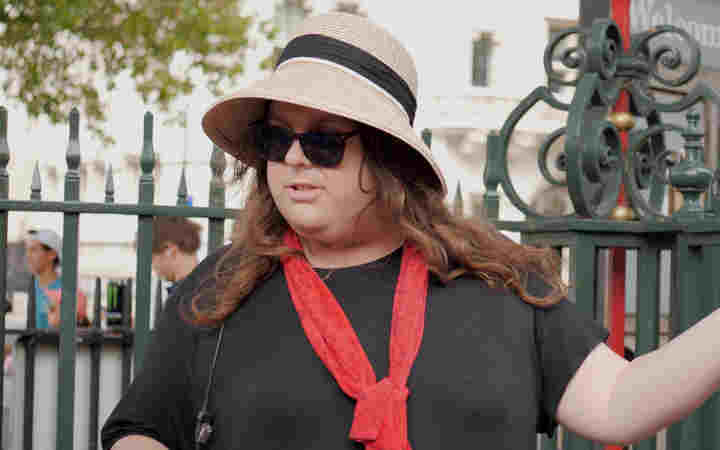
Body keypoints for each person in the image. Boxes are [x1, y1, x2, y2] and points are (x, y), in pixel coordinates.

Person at [102, 12, 720, 450]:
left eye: (321, 141)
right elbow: (143, 430)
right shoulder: (219, 288)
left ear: (386, 159)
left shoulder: (500, 285)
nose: (291, 159)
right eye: (275, 137)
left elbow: (619, 403)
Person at [25, 228, 88, 328]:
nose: (28, 256)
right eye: (27, 250)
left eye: (33, 250)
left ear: (52, 254)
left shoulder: (70, 293)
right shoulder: (29, 286)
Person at [150, 216, 202, 294]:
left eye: (151, 259)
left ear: (169, 250)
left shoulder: (183, 296)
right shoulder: (211, 287)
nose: (153, 266)